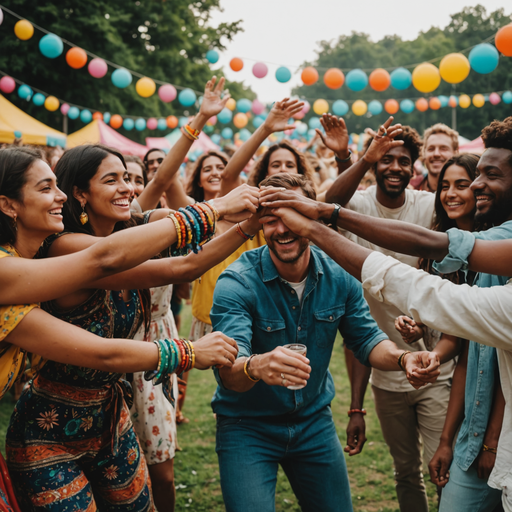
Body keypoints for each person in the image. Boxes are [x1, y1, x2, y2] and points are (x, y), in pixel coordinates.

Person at [4, 142, 261, 511]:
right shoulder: (54, 252)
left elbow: (182, 262)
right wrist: (190, 352)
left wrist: (249, 221)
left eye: (129, 177)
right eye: (46, 188)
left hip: (110, 418)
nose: (128, 187)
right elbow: (106, 267)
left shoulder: (126, 230)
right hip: (48, 430)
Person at [209, 173, 439, 512]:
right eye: (271, 220)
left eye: (292, 216)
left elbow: (368, 339)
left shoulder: (339, 274)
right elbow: (228, 372)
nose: (283, 229)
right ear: (259, 225)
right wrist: (256, 365)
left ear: (311, 216)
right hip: (247, 427)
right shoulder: (236, 282)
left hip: (312, 421)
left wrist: (404, 358)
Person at [323, 116, 443, 511]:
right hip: (385, 371)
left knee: (446, 466)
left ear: (415, 167)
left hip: (437, 364)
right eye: (386, 160)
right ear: (375, 164)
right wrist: (355, 158)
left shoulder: (427, 207)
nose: (395, 167)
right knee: (405, 470)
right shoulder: (356, 204)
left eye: (404, 160)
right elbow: (327, 207)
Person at [411, 124, 459, 192]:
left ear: (456, 153)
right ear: (424, 153)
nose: (436, 154)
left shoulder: (468, 190)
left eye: (443, 149)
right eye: (431, 149)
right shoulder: (410, 189)